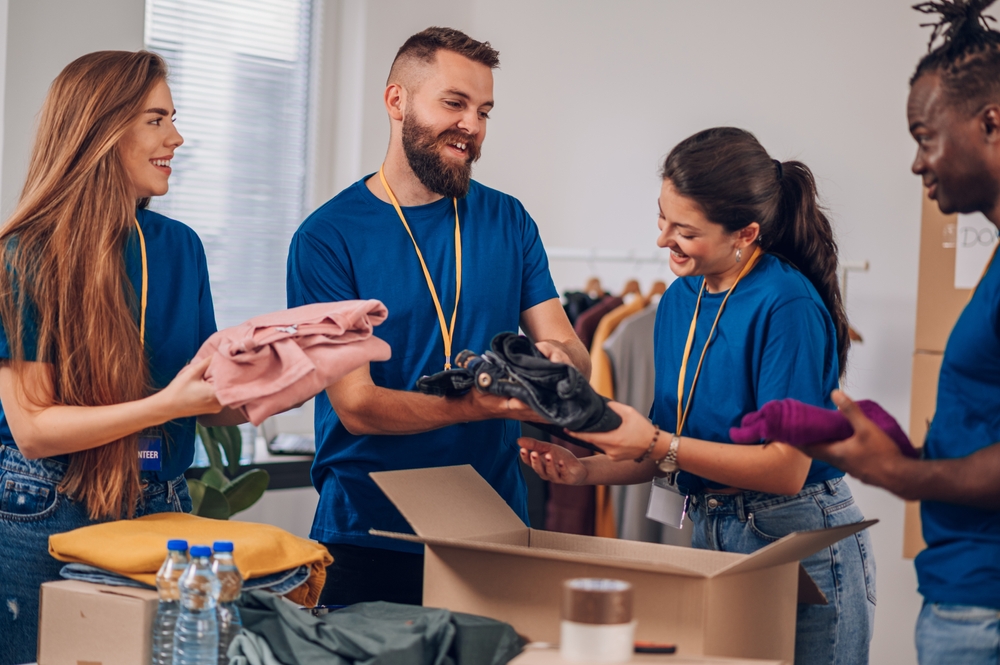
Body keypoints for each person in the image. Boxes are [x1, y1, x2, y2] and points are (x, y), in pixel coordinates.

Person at [521, 127, 876, 665]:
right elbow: (667, 450)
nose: (663, 239)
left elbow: (785, 469)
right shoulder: (678, 301)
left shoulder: (787, 305)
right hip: (715, 533)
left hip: (797, 540)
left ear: (745, 233)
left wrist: (660, 442)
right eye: (662, 218)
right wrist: (586, 470)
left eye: (684, 229)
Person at [286, 27, 588, 607]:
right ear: (396, 101)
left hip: (490, 528)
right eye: (454, 103)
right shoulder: (328, 237)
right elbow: (356, 405)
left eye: (484, 111)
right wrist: (473, 405)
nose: (472, 126)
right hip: (369, 532)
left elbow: (567, 346)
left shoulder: (510, 220)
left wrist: (557, 367)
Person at [0, 51, 242, 665]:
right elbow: (32, 429)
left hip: (159, 497)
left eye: (173, 119)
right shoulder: (24, 254)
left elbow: (207, 401)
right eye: (156, 120)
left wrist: (291, 373)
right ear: (101, 130)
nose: (177, 137)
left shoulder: (181, 248)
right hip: (45, 508)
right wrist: (167, 404)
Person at [801, 2, 1000, 662]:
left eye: (925, 136)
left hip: (983, 603)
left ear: (991, 123)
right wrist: (901, 452)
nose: (918, 163)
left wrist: (901, 474)